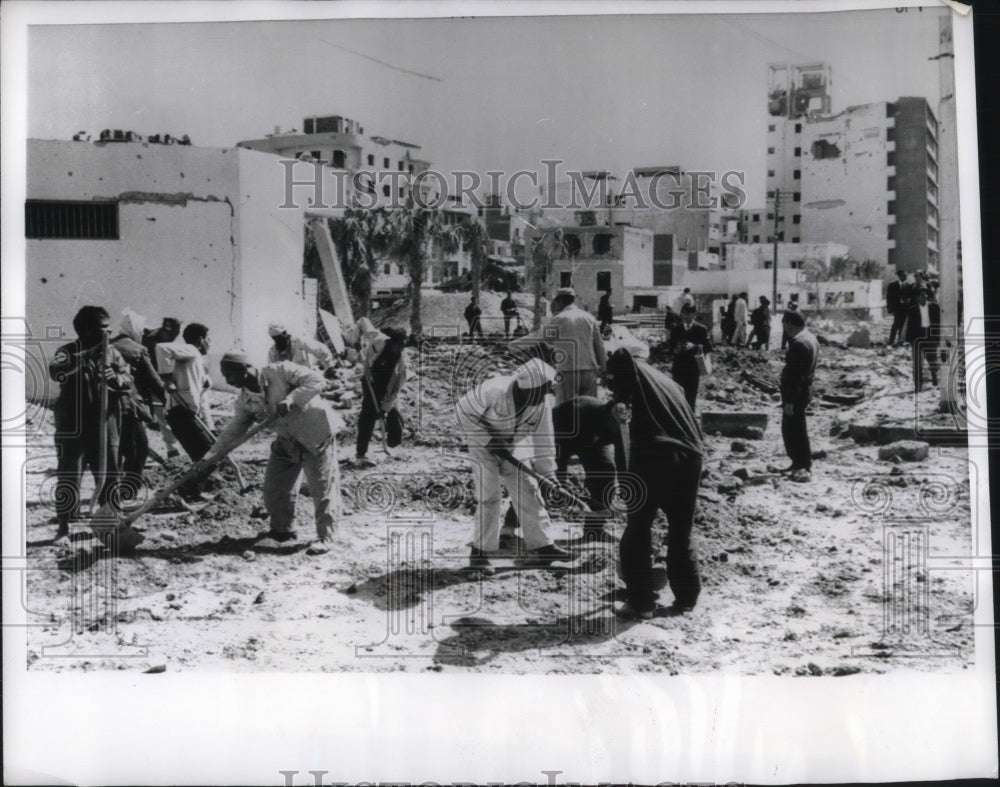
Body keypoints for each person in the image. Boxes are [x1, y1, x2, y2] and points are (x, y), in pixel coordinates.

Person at [203, 350, 343, 554]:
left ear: (245, 369)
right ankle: (283, 531)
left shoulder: (281, 370)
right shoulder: (244, 400)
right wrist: (209, 457)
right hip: (287, 439)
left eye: (229, 374)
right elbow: (233, 431)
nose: (226, 380)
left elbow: (317, 380)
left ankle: (326, 536)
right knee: (274, 487)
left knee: (321, 489)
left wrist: (292, 398)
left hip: (316, 433)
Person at [604, 347, 703, 619]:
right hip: (691, 456)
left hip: (655, 457)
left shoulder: (629, 368)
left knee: (637, 529)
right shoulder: (669, 384)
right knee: (681, 530)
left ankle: (641, 603)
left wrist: (626, 479)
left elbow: (621, 358)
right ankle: (686, 599)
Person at [455, 358, 575, 574]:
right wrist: (487, 440)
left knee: (529, 488)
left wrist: (549, 475)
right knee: (489, 495)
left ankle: (544, 546)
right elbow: (462, 410)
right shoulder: (494, 390)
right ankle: (479, 554)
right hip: (483, 446)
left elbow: (544, 438)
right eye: (545, 389)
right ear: (532, 388)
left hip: (513, 444)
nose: (549, 394)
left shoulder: (542, 402)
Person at [49, 306, 133, 540]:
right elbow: (56, 372)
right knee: (69, 476)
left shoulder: (114, 353)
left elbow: (128, 379)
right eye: (102, 328)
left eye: (108, 327)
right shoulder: (66, 351)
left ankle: (110, 526)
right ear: (86, 330)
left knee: (110, 475)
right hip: (73, 426)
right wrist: (90, 354)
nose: (108, 332)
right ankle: (64, 526)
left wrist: (116, 378)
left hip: (106, 424)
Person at [515, 287, 606, 406]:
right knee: (589, 408)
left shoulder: (558, 319)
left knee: (565, 410)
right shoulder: (589, 318)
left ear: (559, 301)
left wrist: (514, 345)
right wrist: (604, 369)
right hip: (589, 370)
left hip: (567, 371)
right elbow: (599, 345)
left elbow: (542, 338)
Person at [110, 309, 167, 493]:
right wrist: (170, 401)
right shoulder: (138, 350)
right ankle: (129, 491)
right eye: (143, 331)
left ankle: (112, 491)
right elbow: (155, 381)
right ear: (137, 330)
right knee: (138, 448)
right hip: (128, 405)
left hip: (107, 407)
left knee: (117, 449)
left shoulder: (110, 345)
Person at [773, 310, 819, 483]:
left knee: (792, 430)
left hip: (796, 394)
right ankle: (799, 463)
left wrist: (790, 401)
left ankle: (801, 464)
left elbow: (794, 376)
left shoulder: (798, 344)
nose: (784, 328)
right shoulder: (810, 338)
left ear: (789, 324)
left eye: (784, 324)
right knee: (798, 427)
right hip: (805, 390)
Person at [355, 326, 408, 467]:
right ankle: (361, 452)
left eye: (403, 346)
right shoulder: (379, 341)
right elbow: (362, 323)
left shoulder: (400, 365)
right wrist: (356, 340)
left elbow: (396, 389)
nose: (401, 349)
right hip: (370, 382)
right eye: (399, 345)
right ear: (392, 342)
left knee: (394, 418)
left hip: (387, 390)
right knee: (367, 416)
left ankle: (393, 445)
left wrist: (385, 407)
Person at [156, 322, 214, 430]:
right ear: (201, 339)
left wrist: (210, 427)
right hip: (182, 410)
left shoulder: (196, 360)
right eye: (209, 339)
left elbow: (203, 399)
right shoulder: (191, 350)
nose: (210, 343)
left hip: (192, 413)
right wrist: (168, 380)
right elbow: (161, 348)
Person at [142, 316, 181, 456]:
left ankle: (172, 446)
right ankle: (170, 448)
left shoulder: (170, 340)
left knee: (168, 413)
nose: (170, 334)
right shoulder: (150, 339)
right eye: (168, 330)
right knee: (159, 414)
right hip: (151, 380)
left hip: (165, 380)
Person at [667, 303, 712, 410]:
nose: (685, 317)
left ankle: (690, 422)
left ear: (694, 315)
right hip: (678, 368)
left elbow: (708, 348)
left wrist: (695, 346)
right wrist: (674, 350)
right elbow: (670, 348)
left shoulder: (701, 329)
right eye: (683, 314)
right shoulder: (676, 329)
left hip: (693, 368)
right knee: (677, 398)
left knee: (691, 398)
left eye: (688, 314)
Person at [904, 287, 941, 392]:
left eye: (925, 295)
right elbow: (910, 326)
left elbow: (939, 323)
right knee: (917, 363)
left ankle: (934, 377)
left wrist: (939, 338)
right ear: (917, 298)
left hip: (930, 335)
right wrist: (910, 341)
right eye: (921, 296)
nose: (924, 298)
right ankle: (918, 385)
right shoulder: (912, 310)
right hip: (917, 336)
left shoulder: (934, 307)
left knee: (932, 359)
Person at [267, 321, 334, 371]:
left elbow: (322, 351)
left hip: (309, 380)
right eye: (274, 338)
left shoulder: (300, 342)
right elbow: (273, 371)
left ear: (285, 334)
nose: (277, 341)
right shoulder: (272, 352)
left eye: (279, 337)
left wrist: (329, 368)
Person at [886, 270, 909, 347]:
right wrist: (889, 308)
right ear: (899, 276)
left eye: (906, 275)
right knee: (896, 324)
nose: (905, 277)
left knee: (902, 325)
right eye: (903, 275)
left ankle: (900, 340)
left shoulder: (908, 285)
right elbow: (889, 298)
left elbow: (909, 296)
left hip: (905, 308)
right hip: (897, 308)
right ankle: (891, 340)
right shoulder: (892, 285)